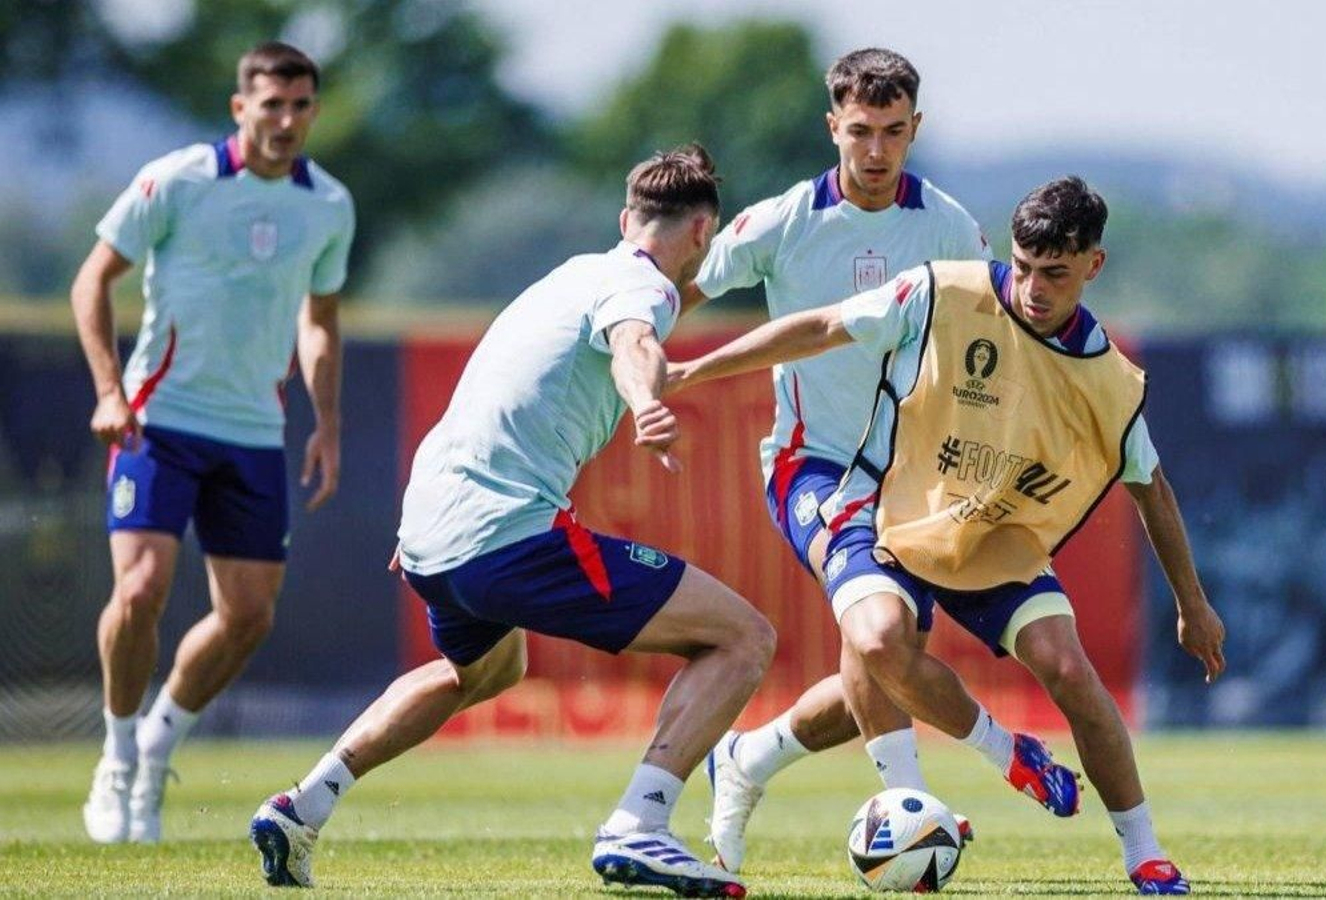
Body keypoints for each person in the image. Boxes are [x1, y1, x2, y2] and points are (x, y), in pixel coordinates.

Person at [672, 177, 1227, 896]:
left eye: (1055, 273)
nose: (1032, 287)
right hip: (891, 510)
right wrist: (695, 370)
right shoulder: (941, 291)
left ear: (1095, 264)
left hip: (992, 534)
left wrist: (1193, 603)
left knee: (1063, 665)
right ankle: (1006, 756)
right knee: (877, 645)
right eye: (1023, 266)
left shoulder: (1109, 380)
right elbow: (821, 326)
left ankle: (1145, 852)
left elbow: (1153, 490)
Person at [249, 145, 773, 899]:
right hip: (504, 533)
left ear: (626, 219)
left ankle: (303, 806)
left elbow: (521, 372)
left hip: (432, 525)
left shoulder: (575, 274)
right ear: (699, 233)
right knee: (744, 636)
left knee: (487, 670)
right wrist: (645, 400)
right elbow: (636, 344)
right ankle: (641, 826)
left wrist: (429, 528)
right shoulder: (643, 289)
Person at [681, 48, 990, 873]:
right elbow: (679, 288)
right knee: (881, 630)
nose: (878, 151)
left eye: (895, 132)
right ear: (834, 127)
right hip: (810, 467)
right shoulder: (783, 220)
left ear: (916, 128)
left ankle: (751, 758)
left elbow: (984, 344)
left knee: (886, 659)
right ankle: (912, 805)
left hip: (914, 478)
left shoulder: (952, 227)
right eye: (861, 131)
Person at [71, 41, 354, 845]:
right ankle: (118, 757)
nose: (287, 120)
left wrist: (327, 424)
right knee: (141, 589)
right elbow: (92, 279)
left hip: (255, 433)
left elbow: (321, 323)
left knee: (250, 615)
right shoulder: (177, 180)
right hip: (158, 421)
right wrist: (107, 391)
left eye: (301, 106)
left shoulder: (329, 205)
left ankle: (158, 744)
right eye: (272, 104)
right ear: (241, 108)